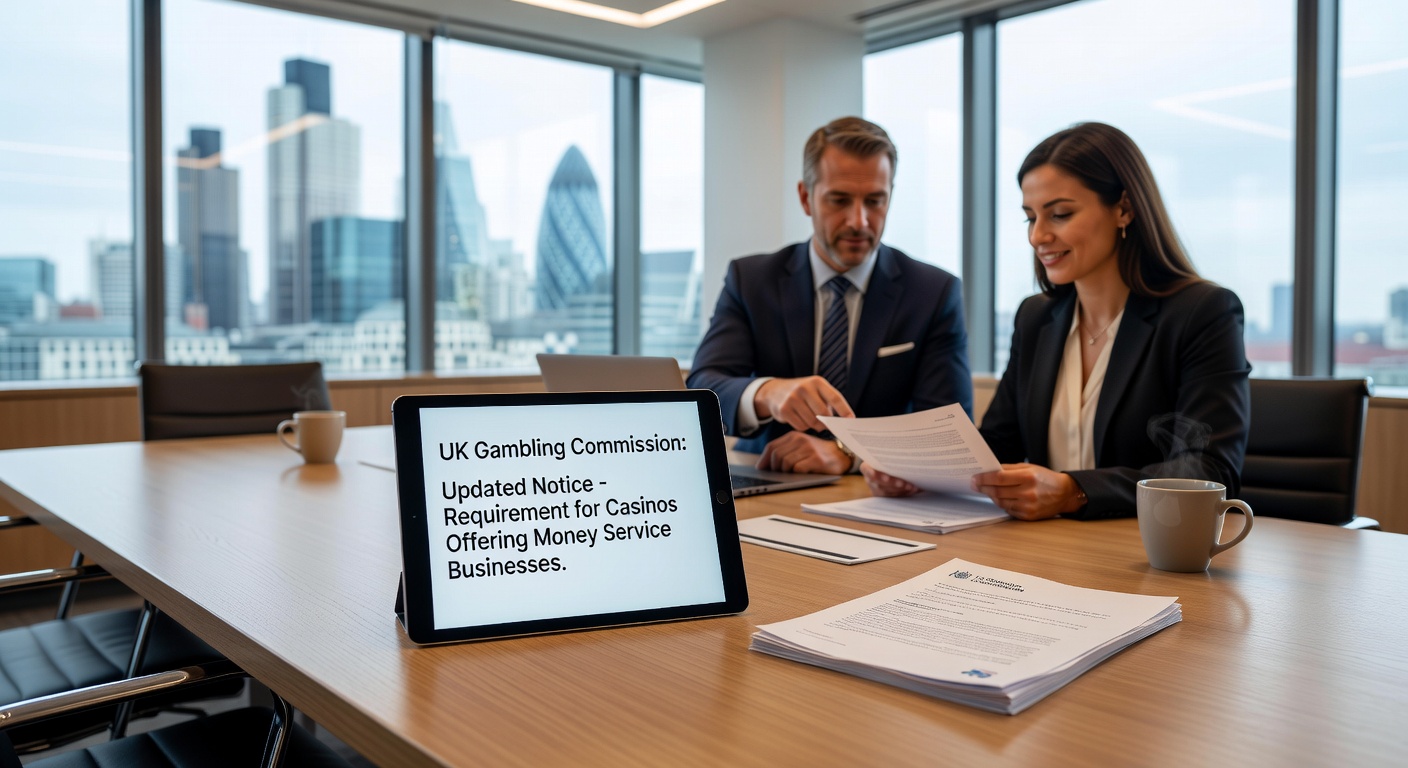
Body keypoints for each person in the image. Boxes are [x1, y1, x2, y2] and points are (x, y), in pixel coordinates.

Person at [864, 122, 1251, 520]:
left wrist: (1075, 491)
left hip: (1144, 547)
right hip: (1050, 543)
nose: (1038, 236)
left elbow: (1209, 471)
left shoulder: (1203, 313)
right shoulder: (1037, 318)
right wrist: (918, 474)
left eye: (1060, 214)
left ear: (1124, 209)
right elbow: (998, 445)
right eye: (1030, 218)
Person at [687, 117, 972, 476]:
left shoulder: (932, 292)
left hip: (878, 491)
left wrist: (848, 453)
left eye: (875, 201)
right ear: (805, 198)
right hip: (767, 475)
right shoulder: (752, 281)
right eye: (839, 200)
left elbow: (949, 430)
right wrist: (767, 393)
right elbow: (702, 386)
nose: (859, 221)